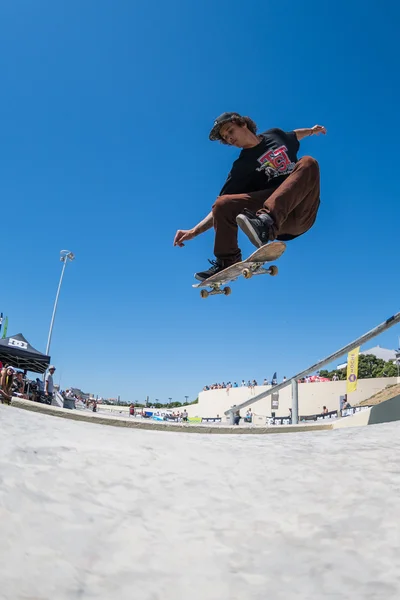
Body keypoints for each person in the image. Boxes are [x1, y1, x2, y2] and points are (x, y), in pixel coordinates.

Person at [174, 112, 326, 280]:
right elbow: (219, 210)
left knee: (308, 162)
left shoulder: (275, 135)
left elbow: (295, 135)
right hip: (280, 224)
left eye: (230, 131)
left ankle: (267, 220)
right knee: (222, 204)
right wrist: (194, 231)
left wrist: (311, 131)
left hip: (302, 210)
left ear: (242, 124)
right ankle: (227, 260)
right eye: (225, 138)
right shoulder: (241, 167)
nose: (229, 138)